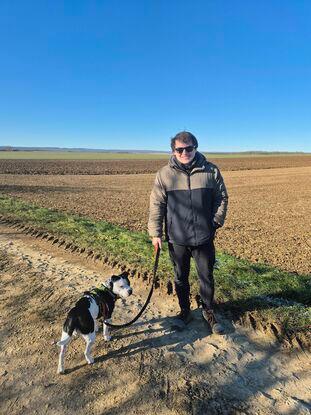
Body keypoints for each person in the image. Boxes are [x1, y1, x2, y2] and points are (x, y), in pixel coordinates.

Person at [148, 131, 228, 333]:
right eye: (180, 149)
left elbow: (222, 198)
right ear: (173, 151)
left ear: (196, 147)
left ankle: (208, 311)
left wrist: (215, 222)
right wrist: (155, 233)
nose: (185, 152)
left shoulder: (210, 171)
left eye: (189, 148)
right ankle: (184, 311)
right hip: (177, 238)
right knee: (180, 277)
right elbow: (156, 205)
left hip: (204, 237)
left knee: (206, 276)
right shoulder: (164, 174)